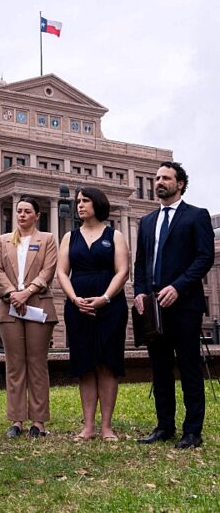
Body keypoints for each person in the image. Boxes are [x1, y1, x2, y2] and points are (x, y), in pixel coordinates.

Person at [134, 162, 214, 449]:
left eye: (166, 178)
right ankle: (164, 426)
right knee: (160, 368)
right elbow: (141, 263)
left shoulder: (196, 216)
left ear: (180, 184)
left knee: (189, 366)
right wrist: (140, 292)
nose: (159, 182)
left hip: (185, 304)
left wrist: (178, 287)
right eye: (156, 178)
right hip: (154, 307)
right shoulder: (146, 221)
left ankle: (192, 431)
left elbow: (204, 258)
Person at [57, 187, 129, 441]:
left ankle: (107, 427)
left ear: (97, 204)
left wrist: (105, 298)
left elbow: (122, 271)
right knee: (85, 365)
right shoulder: (70, 237)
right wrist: (74, 298)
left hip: (110, 307)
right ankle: (88, 426)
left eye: (85, 201)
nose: (80, 205)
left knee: (107, 365)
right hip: (78, 309)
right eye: (78, 201)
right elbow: (62, 272)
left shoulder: (115, 235)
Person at [0, 197, 58, 439]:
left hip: (38, 306)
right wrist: (12, 293)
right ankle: (16, 420)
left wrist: (27, 292)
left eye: (27, 211)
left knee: (37, 364)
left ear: (37, 215)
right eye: (19, 211)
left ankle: (38, 422)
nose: (21, 215)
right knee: (14, 365)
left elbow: (48, 270)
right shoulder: (2, 240)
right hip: (9, 307)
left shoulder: (47, 239)